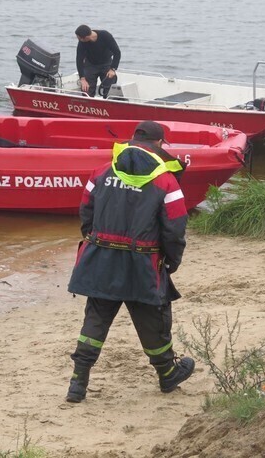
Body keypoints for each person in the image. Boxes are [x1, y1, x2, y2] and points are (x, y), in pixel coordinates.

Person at [65, 120, 195, 403]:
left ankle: (78, 383)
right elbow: (175, 227)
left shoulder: (101, 171)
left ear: (132, 139)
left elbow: (85, 210)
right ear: (160, 145)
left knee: (96, 319)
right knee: (154, 318)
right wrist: (172, 261)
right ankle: (167, 373)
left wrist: (94, 240)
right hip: (143, 264)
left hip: (101, 259)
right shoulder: (166, 180)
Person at [75, 24, 121, 98]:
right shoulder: (82, 42)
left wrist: (113, 69)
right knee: (86, 88)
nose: (79, 40)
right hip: (90, 64)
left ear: (86, 37)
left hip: (106, 63)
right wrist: (82, 79)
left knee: (110, 84)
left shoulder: (105, 35)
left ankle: (108, 102)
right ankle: (88, 104)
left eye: (79, 39)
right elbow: (79, 59)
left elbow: (117, 52)